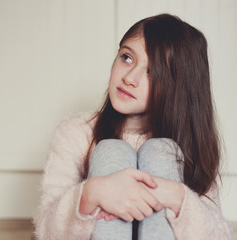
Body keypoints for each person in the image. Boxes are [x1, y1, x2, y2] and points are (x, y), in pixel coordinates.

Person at [33, 14, 232, 239]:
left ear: (180, 88)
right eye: (127, 58)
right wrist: (92, 193)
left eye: (152, 72)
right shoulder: (77, 133)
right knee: (111, 151)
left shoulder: (189, 146)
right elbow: (46, 232)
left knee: (162, 151)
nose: (130, 78)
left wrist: (176, 196)